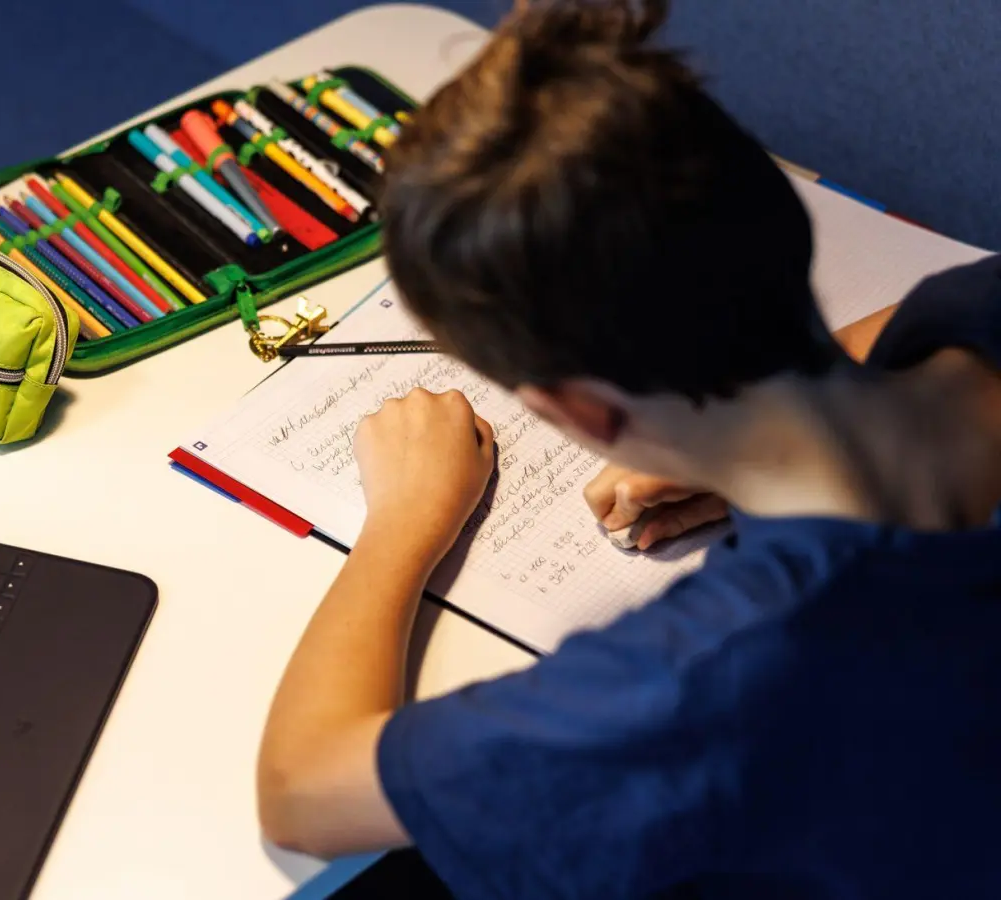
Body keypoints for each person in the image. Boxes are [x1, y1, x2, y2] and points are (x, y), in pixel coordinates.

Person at [254, 0, 1001, 896]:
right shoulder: (972, 312)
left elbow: (299, 792)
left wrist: (405, 520)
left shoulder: (709, 671)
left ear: (584, 414)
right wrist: (749, 440)